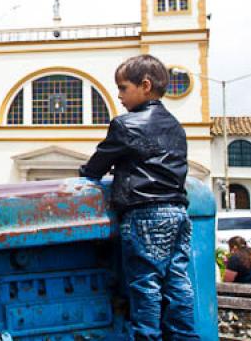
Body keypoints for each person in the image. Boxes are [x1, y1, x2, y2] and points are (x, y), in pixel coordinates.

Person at [79, 54, 199, 340]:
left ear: (144, 86)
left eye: (123, 88)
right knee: (178, 283)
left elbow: (95, 166)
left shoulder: (126, 125)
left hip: (144, 214)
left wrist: (85, 172)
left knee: (145, 286)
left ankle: (147, 337)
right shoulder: (176, 126)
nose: (119, 96)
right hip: (178, 212)